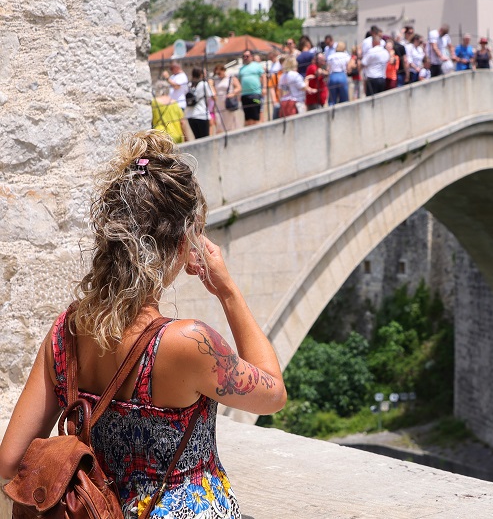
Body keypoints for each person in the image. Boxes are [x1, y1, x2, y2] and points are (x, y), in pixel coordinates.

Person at [0, 130, 287, 517]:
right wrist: (227, 291)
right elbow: (273, 394)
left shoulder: (65, 332)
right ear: (182, 242)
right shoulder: (188, 342)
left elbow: (10, 461)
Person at [239, 49, 266, 127]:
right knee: (247, 117)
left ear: (251, 56)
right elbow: (239, 81)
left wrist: (264, 88)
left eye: (247, 56)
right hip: (245, 95)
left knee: (256, 116)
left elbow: (263, 76)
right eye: (244, 56)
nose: (245, 58)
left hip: (255, 94)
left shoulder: (257, 66)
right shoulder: (241, 69)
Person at [186, 67, 214, 139]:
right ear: (201, 74)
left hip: (190, 115)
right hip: (201, 114)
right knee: (205, 138)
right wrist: (211, 84)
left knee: (197, 138)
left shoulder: (189, 84)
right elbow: (212, 96)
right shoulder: (203, 84)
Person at [213, 63, 242, 132]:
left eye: (219, 73)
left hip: (228, 102)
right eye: (217, 73)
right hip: (219, 104)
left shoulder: (231, 78)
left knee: (229, 123)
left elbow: (239, 87)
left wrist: (232, 93)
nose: (218, 75)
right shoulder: (216, 80)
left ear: (223, 70)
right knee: (219, 122)